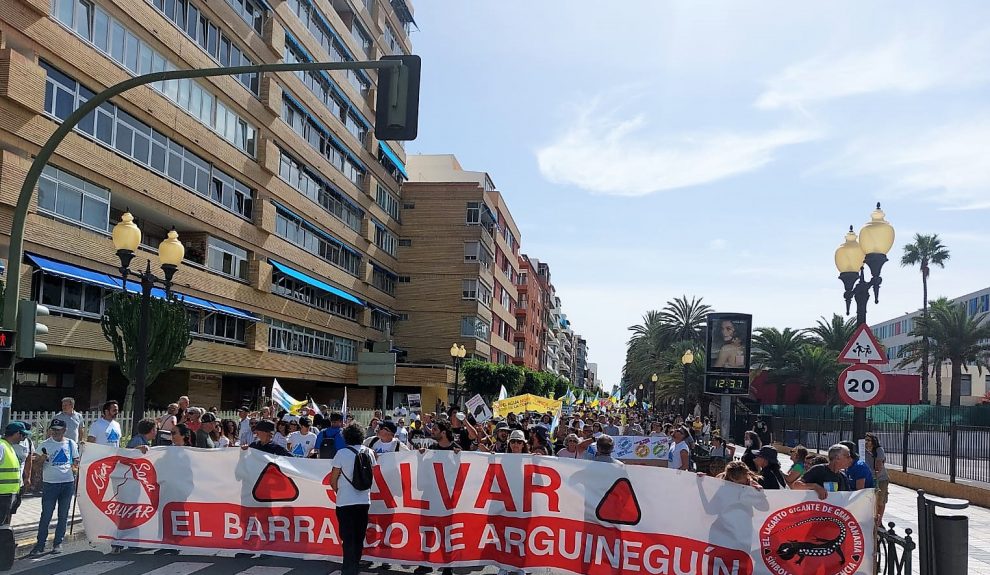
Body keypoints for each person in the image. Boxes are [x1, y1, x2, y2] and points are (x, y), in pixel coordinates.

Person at [329, 423, 376, 575]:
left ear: (346, 437)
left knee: (347, 537)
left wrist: (339, 491)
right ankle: (355, 565)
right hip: (364, 500)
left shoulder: (341, 453)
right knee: (359, 535)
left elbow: (333, 479)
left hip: (345, 501)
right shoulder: (369, 452)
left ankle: (348, 568)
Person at [28, 420, 79, 556]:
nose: (55, 432)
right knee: (46, 515)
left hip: (67, 483)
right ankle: (40, 544)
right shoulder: (44, 445)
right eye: (53, 429)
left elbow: (75, 460)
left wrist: (75, 468)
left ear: (64, 430)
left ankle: (58, 543)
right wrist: (41, 459)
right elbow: (36, 467)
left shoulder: (70, 443)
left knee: (63, 515)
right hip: (50, 484)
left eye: (58, 429)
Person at [0, 423, 28, 526]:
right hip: (2, 494)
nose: (23, 438)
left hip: (7, 494)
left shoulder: (9, 447)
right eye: (22, 435)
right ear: (16, 433)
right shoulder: (2, 446)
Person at [865, 432, 889, 520]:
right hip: (868, 478)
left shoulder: (878, 450)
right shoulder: (862, 451)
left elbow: (879, 465)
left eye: (868, 440)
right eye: (865, 440)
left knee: (880, 500)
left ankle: (879, 521)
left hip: (881, 478)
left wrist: (875, 477)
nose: (866, 442)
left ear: (873, 441)